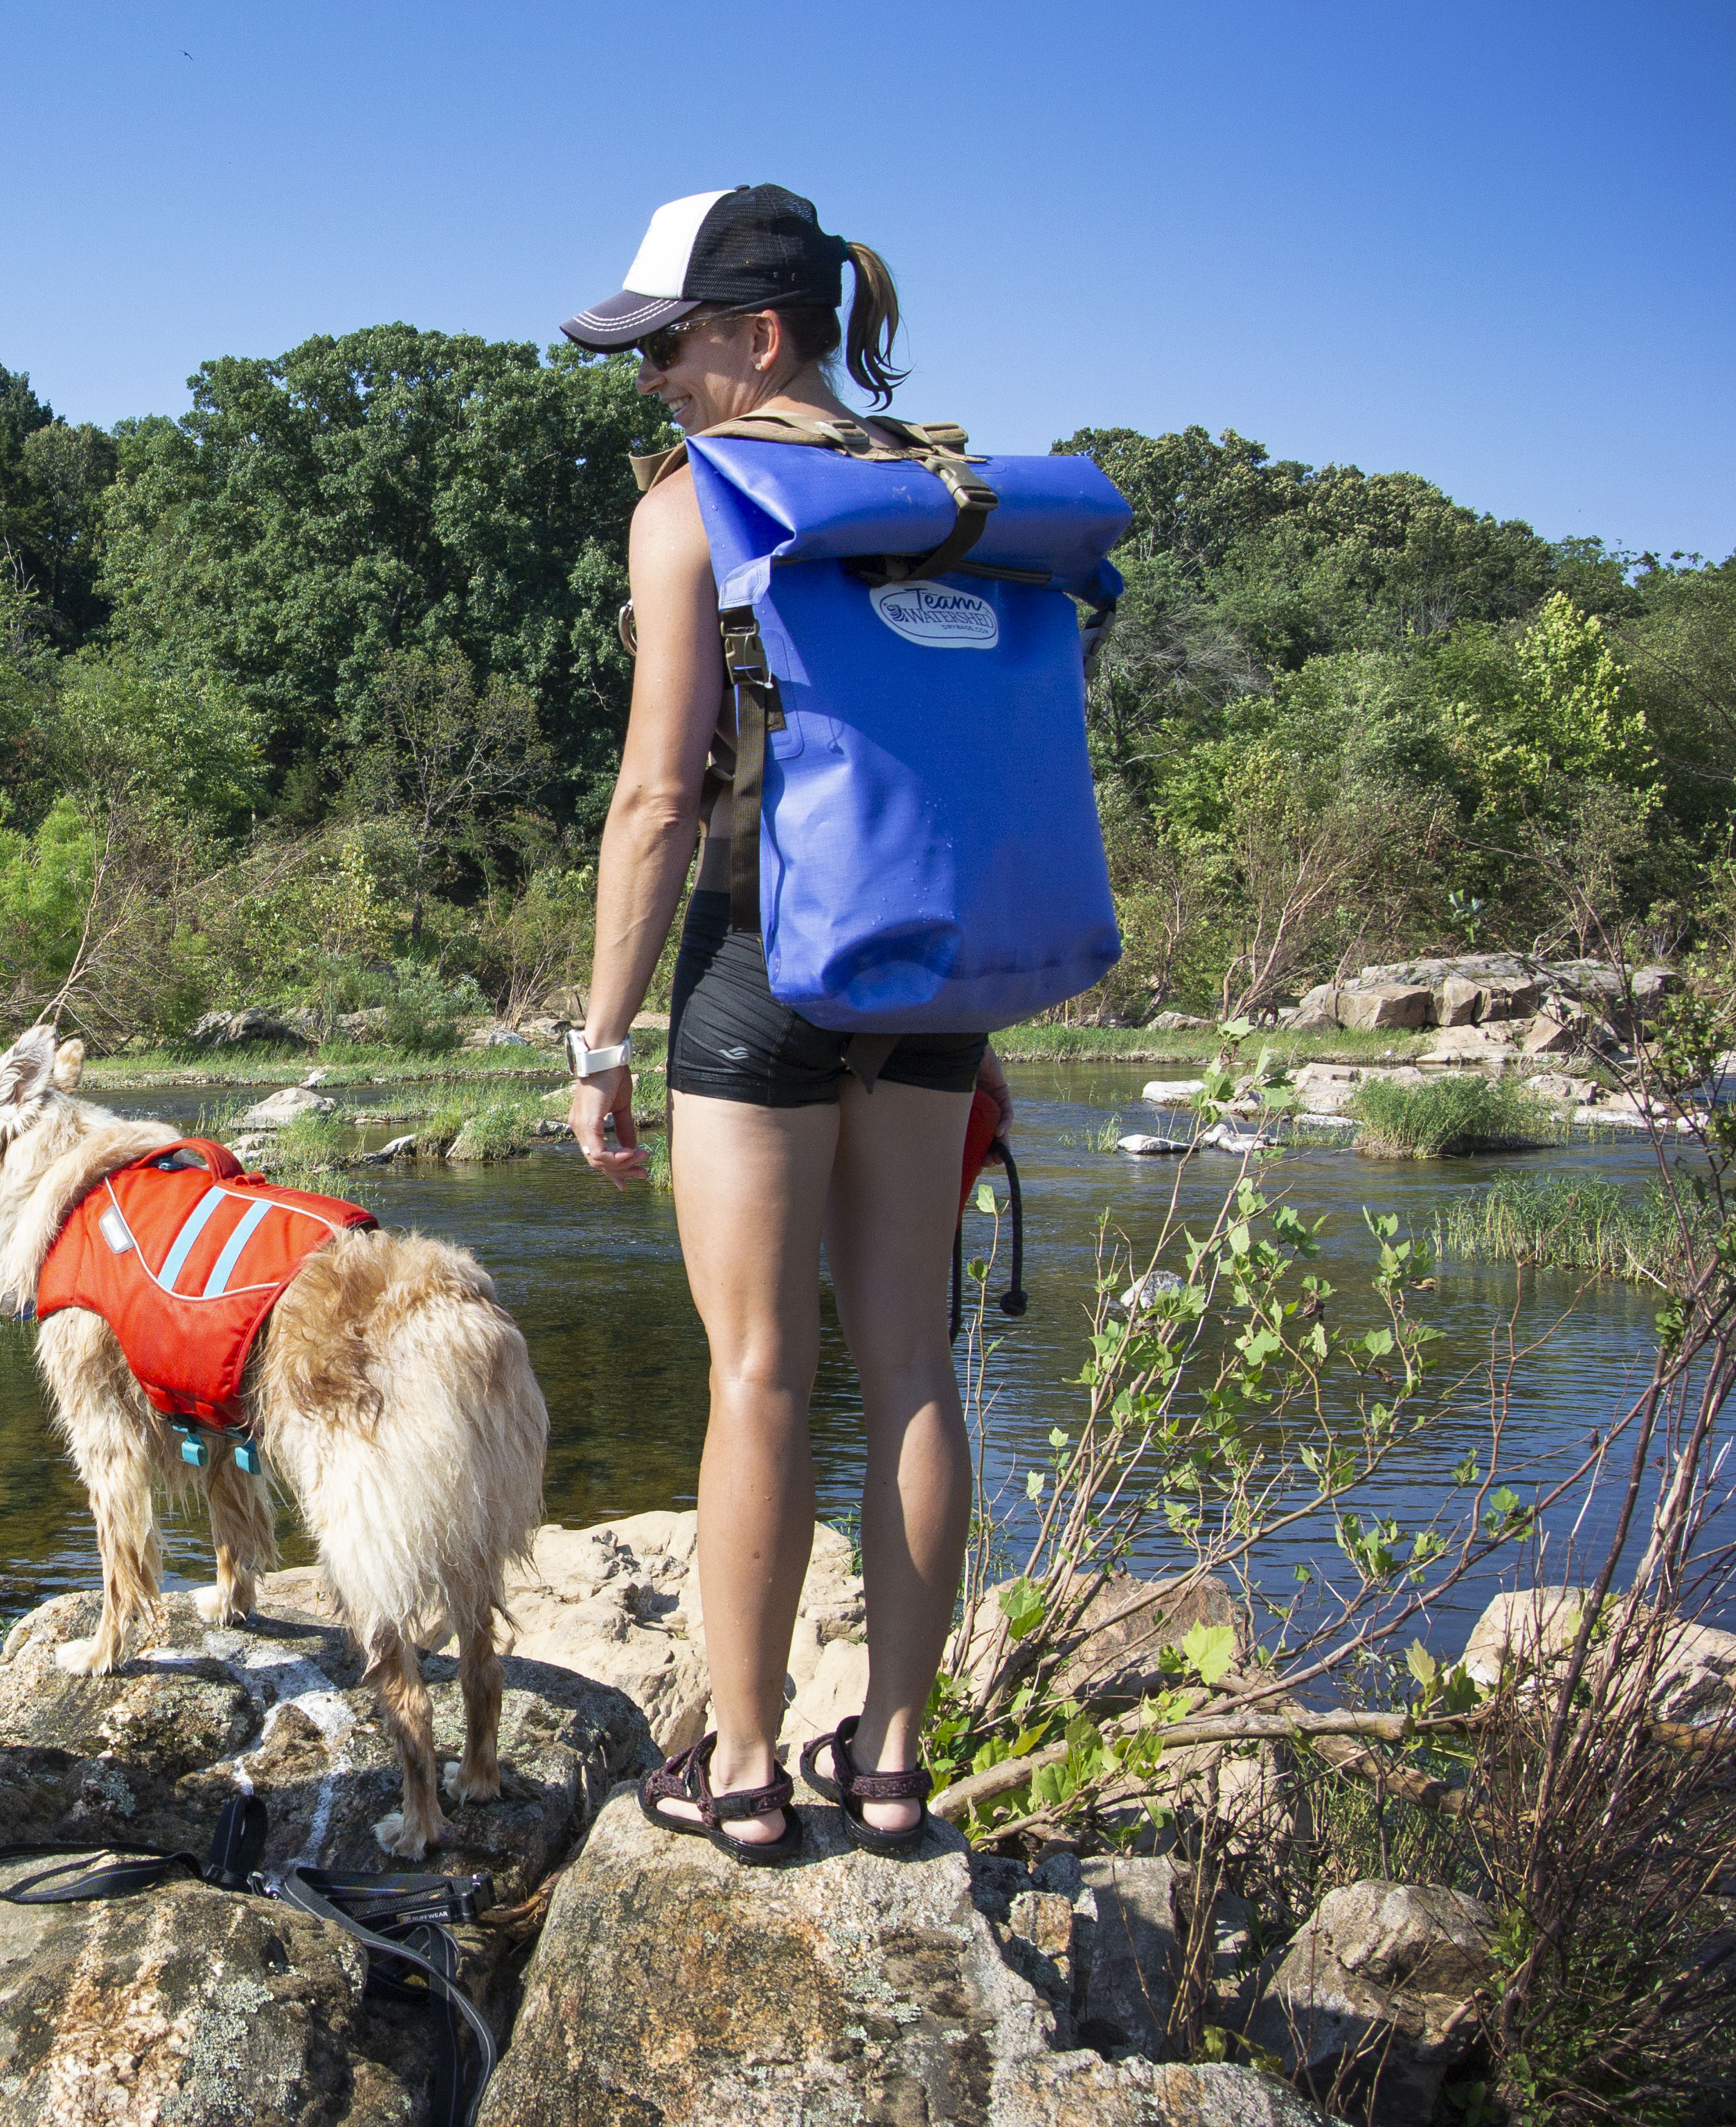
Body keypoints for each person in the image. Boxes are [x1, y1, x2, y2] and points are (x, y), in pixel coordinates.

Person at [557, 186, 1010, 1863]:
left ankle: (741, 1769)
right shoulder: (945, 492)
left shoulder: (698, 505)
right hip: (934, 978)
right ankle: (889, 1763)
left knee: (758, 1371)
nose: (655, 382)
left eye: (668, 346)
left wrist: (603, 1041)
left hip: (764, 969)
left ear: (758, 334)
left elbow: (657, 801)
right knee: (908, 1363)